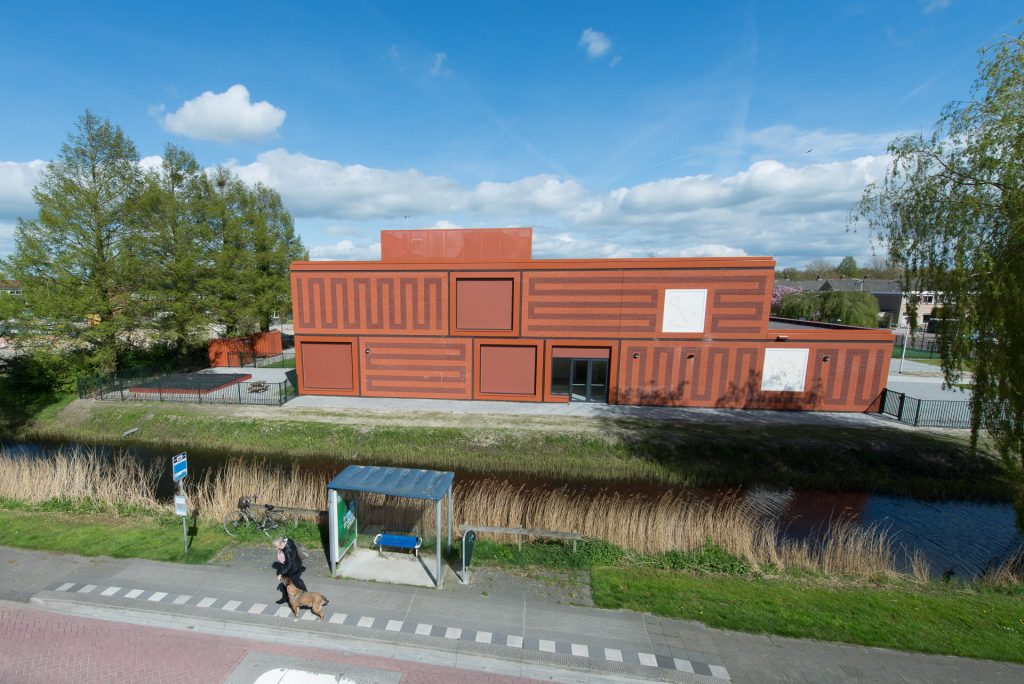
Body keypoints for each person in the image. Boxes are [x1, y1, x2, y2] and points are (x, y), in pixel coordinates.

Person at [272, 537, 306, 604]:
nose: (277, 548)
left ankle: (306, 596)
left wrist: (281, 574)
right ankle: (285, 597)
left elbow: (289, 564)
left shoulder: (287, 550)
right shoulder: (288, 541)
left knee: (297, 582)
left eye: (277, 546)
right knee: (286, 582)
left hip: (293, 568)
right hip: (295, 564)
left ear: (281, 543)